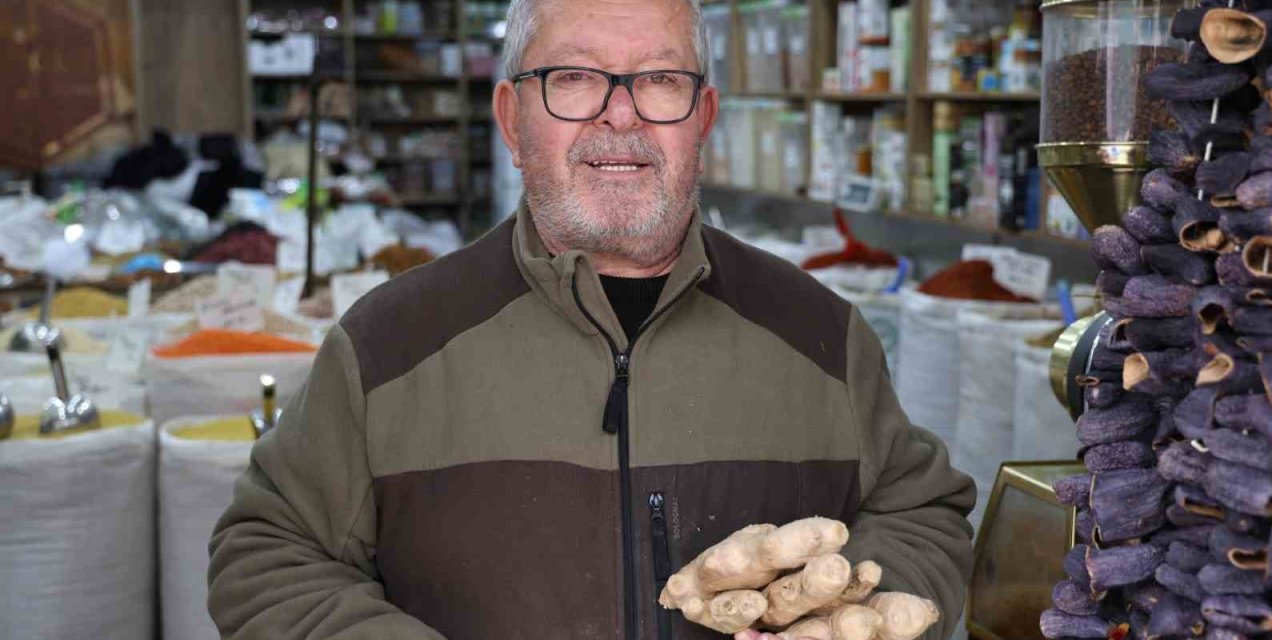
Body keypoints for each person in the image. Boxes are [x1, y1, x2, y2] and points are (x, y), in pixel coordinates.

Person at [206, 0, 976, 638]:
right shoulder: (387, 347)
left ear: (702, 117)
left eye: (660, 80)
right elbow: (268, 554)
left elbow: (923, 513)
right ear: (512, 120)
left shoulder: (821, 337)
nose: (620, 116)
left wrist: (861, 614)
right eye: (573, 80)